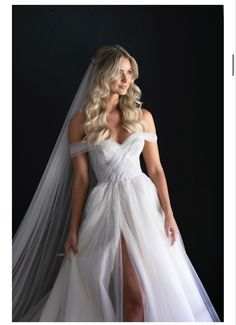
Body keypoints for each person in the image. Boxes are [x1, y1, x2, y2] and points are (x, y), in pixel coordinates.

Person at [13, 44, 220, 322]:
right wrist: (73, 229)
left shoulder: (143, 117)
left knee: (158, 290)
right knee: (135, 298)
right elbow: (82, 179)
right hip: (107, 208)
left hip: (145, 206)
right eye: (119, 73)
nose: (127, 79)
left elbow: (156, 170)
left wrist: (169, 214)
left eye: (129, 73)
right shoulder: (81, 122)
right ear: (102, 75)